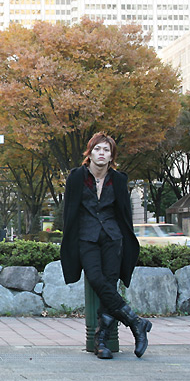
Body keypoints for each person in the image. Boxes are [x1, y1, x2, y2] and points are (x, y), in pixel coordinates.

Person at [60, 132, 150, 359]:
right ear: (89, 153)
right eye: (97, 149)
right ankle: (135, 322)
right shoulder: (76, 177)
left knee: (109, 284)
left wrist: (127, 242)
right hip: (86, 237)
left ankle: (101, 342)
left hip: (113, 237)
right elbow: (69, 211)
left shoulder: (118, 180)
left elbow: (124, 213)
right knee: (96, 279)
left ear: (111, 156)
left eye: (106, 150)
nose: (101, 153)